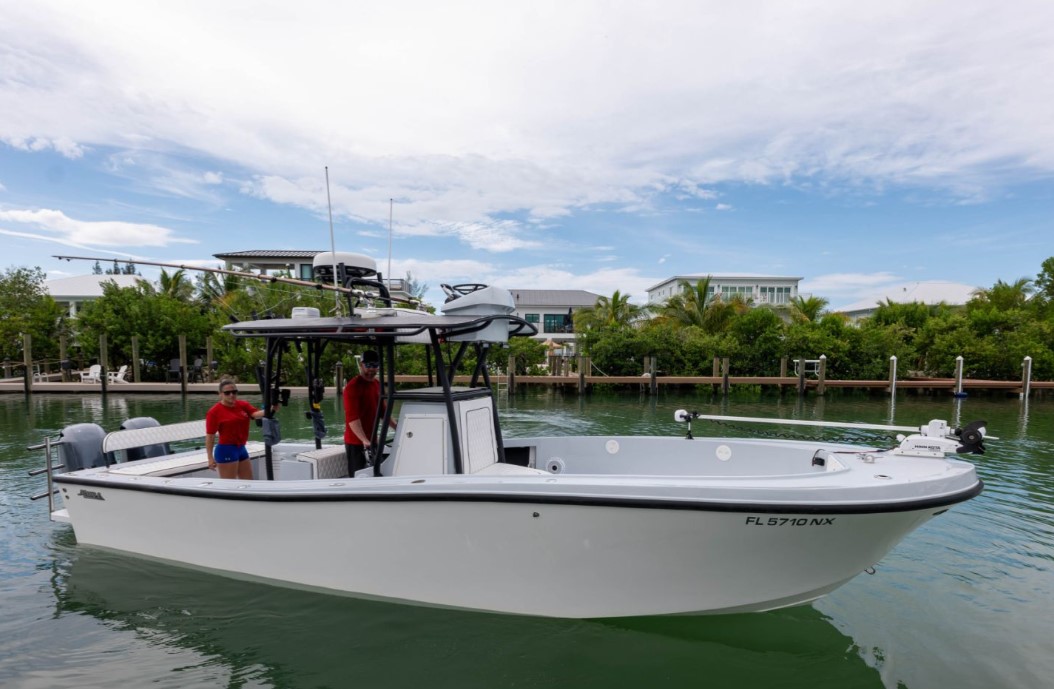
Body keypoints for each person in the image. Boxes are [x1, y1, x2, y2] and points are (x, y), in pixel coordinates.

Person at [205, 378, 272, 479]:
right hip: (226, 450)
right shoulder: (214, 412)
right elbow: (210, 436)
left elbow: (255, 414)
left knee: (248, 483)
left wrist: (271, 409)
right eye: (227, 393)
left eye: (234, 392)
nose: (231, 395)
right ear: (220, 394)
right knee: (229, 486)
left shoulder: (243, 405)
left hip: (241, 448)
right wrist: (210, 458)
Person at [344, 350, 396, 476]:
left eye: (375, 366)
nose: (372, 370)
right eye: (368, 366)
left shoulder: (377, 384)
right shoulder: (352, 387)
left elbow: (383, 412)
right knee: (358, 477)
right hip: (356, 443)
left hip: (373, 441)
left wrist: (398, 428)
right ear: (361, 365)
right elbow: (352, 418)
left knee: (375, 475)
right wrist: (364, 440)